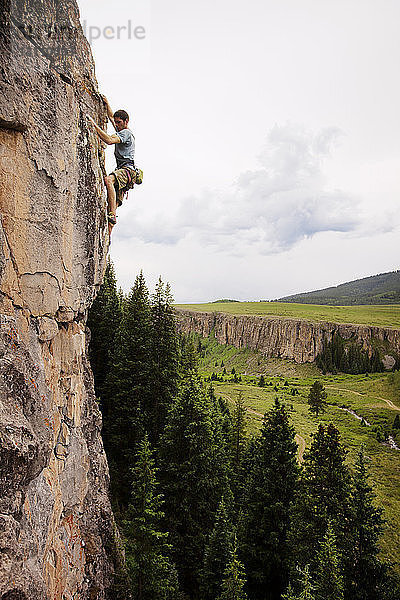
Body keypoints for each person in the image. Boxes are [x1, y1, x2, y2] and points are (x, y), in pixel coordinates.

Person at [87, 96, 136, 235]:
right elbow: (110, 115)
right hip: (125, 172)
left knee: (108, 180)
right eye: (116, 122)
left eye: (119, 122)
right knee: (112, 206)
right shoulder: (121, 129)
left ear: (126, 122)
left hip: (127, 171)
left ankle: (113, 215)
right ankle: (109, 232)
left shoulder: (125, 133)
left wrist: (93, 125)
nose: (117, 125)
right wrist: (107, 103)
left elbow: (108, 140)